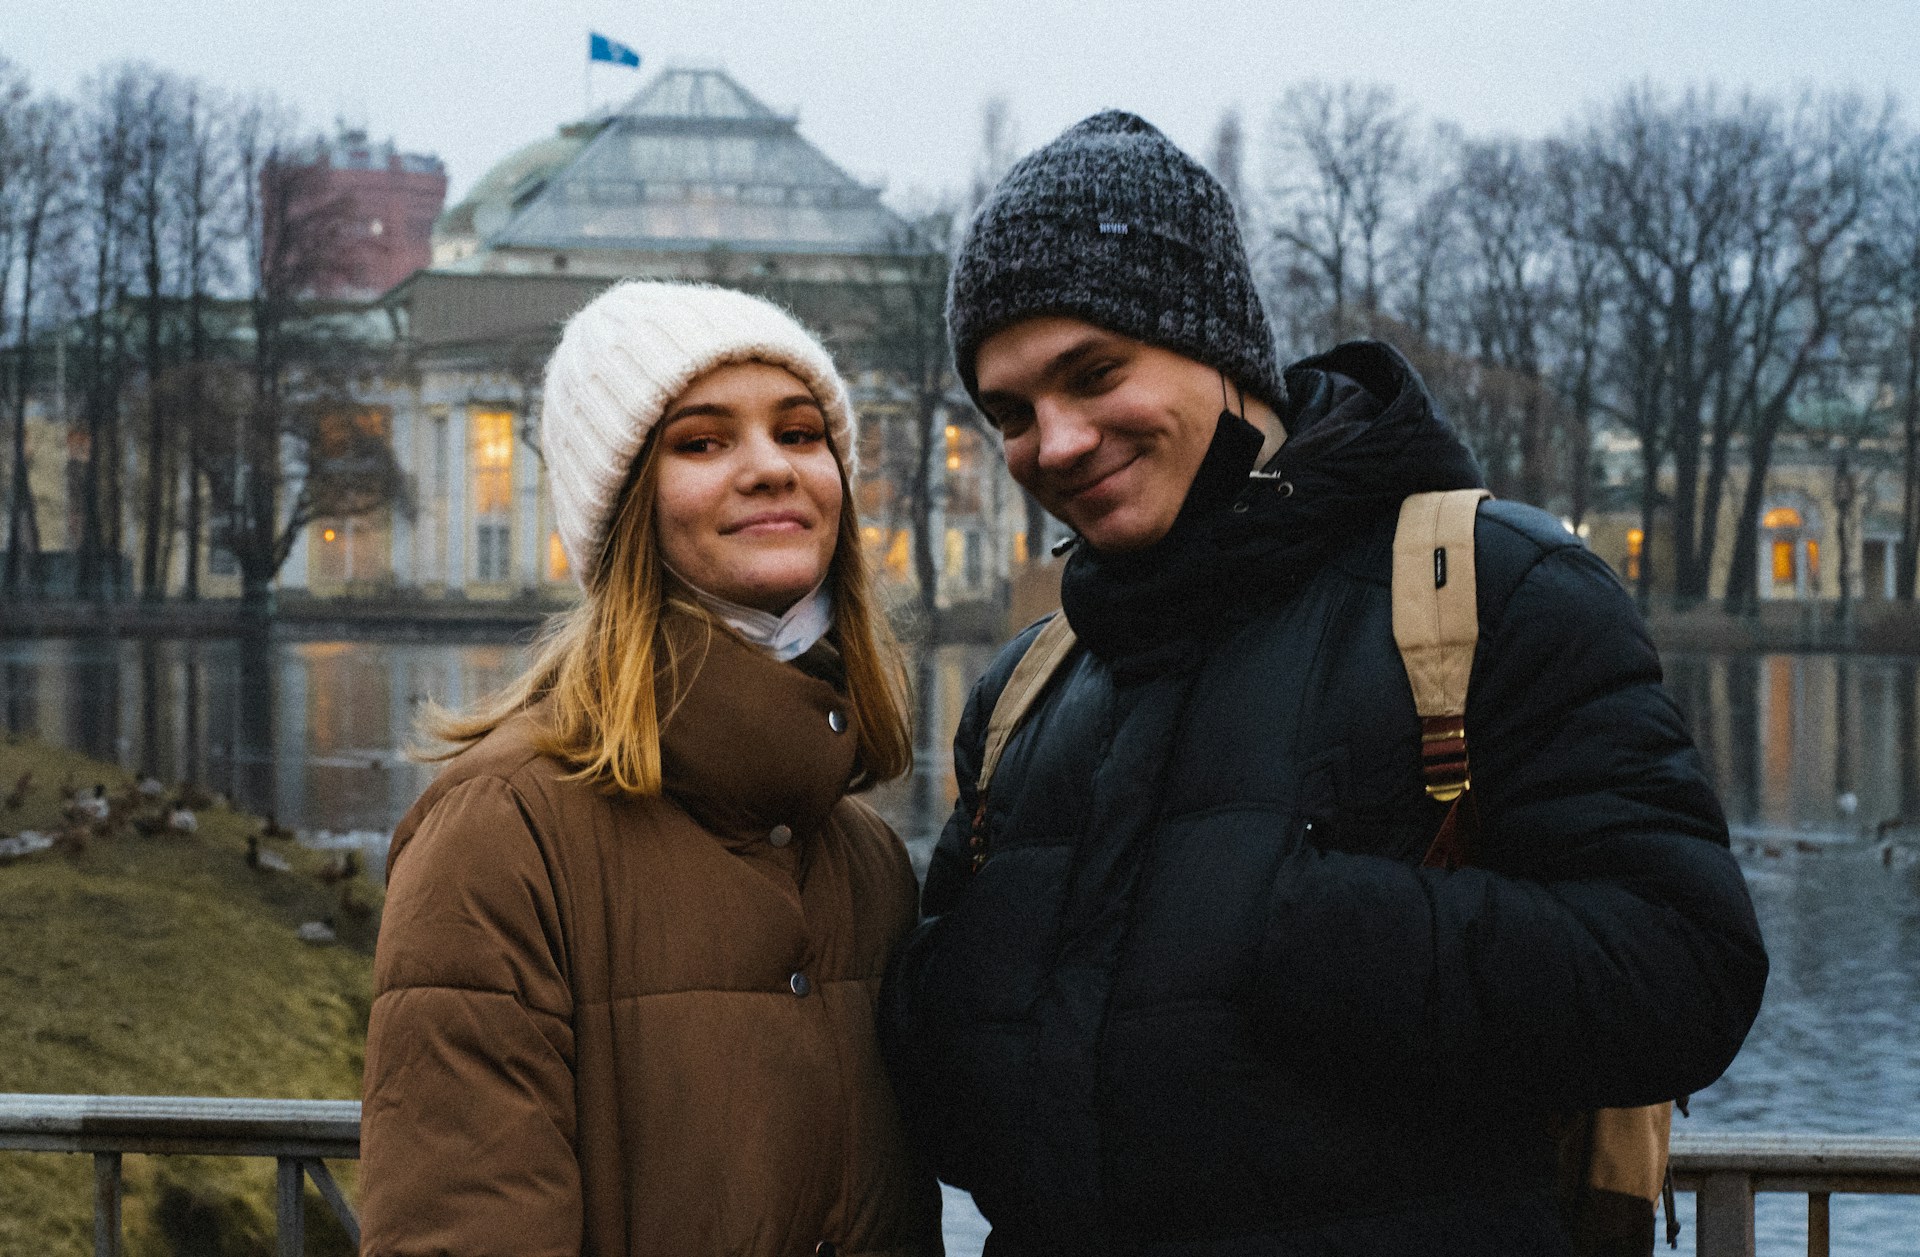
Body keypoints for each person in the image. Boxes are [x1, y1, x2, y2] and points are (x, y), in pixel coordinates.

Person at [880, 112, 1768, 1256]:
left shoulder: (1500, 588)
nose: (1053, 442)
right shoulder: (1027, 687)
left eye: (1093, 374)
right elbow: (958, 1073)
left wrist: (1307, 929)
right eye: (1009, 412)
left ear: (1223, 354)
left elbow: (1686, 974)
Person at [361, 281, 943, 1257]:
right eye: (703, 442)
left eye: (802, 435)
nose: (770, 469)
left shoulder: (869, 860)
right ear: (626, 511)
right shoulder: (501, 833)